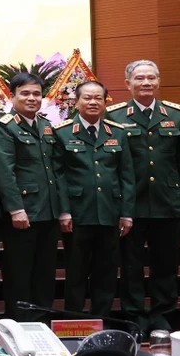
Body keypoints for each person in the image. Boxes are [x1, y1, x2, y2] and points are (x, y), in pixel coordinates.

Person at [108, 60, 180, 331]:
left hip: (168, 202)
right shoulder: (114, 116)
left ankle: (163, 315)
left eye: (151, 78)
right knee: (131, 265)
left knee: (166, 264)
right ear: (128, 83)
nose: (146, 83)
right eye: (139, 78)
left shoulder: (176, 115)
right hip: (131, 204)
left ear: (158, 81)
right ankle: (135, 316)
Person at [55, 81, 135, 318]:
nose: (93, 102)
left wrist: (127, 212)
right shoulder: (62, 132)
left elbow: (127, 175)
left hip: (110, 212)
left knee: (106, 272)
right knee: (76, 271)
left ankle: (102, 319)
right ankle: (74, 321)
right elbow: (58, 175)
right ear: (76, 102)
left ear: (104, 101)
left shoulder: (117, 132)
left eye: (98, 98)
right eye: (87, 98)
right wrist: (64, 211)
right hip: (78, 213)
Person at [0, 73, 60, 322]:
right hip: (23, 212)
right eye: (25, 93)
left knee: (45, 274)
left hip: (48, 212)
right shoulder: (4, 126)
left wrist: (61, 209)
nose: (32, 98)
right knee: (19, 274)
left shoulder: (45, 125)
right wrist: (16, 209)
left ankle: (42, 324)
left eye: (37, 94)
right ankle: (18, 326)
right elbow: (4, 171)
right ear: (13, 96)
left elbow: (55, 170)